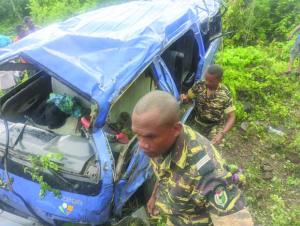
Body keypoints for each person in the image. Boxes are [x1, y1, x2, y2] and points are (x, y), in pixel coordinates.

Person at [131, 90, 251, 226]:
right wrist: (154, 197)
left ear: (176, 129)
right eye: (137, 135)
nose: (142, 144)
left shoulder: (206, 174)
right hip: (176, 218)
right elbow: (164, 171)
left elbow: (237, 222)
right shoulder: (161, 139)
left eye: (150, 136)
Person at [179, 64, 235, 147]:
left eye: (211, 81)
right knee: (192, 148)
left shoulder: (225, 94)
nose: (207, 82)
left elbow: (231, 117)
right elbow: (187, 99)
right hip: (198, 123)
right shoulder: (199, 85)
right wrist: (183, 98)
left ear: (220, 80)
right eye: (206, 79)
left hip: (215, 126)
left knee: (215, 149)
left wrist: (222, 134)